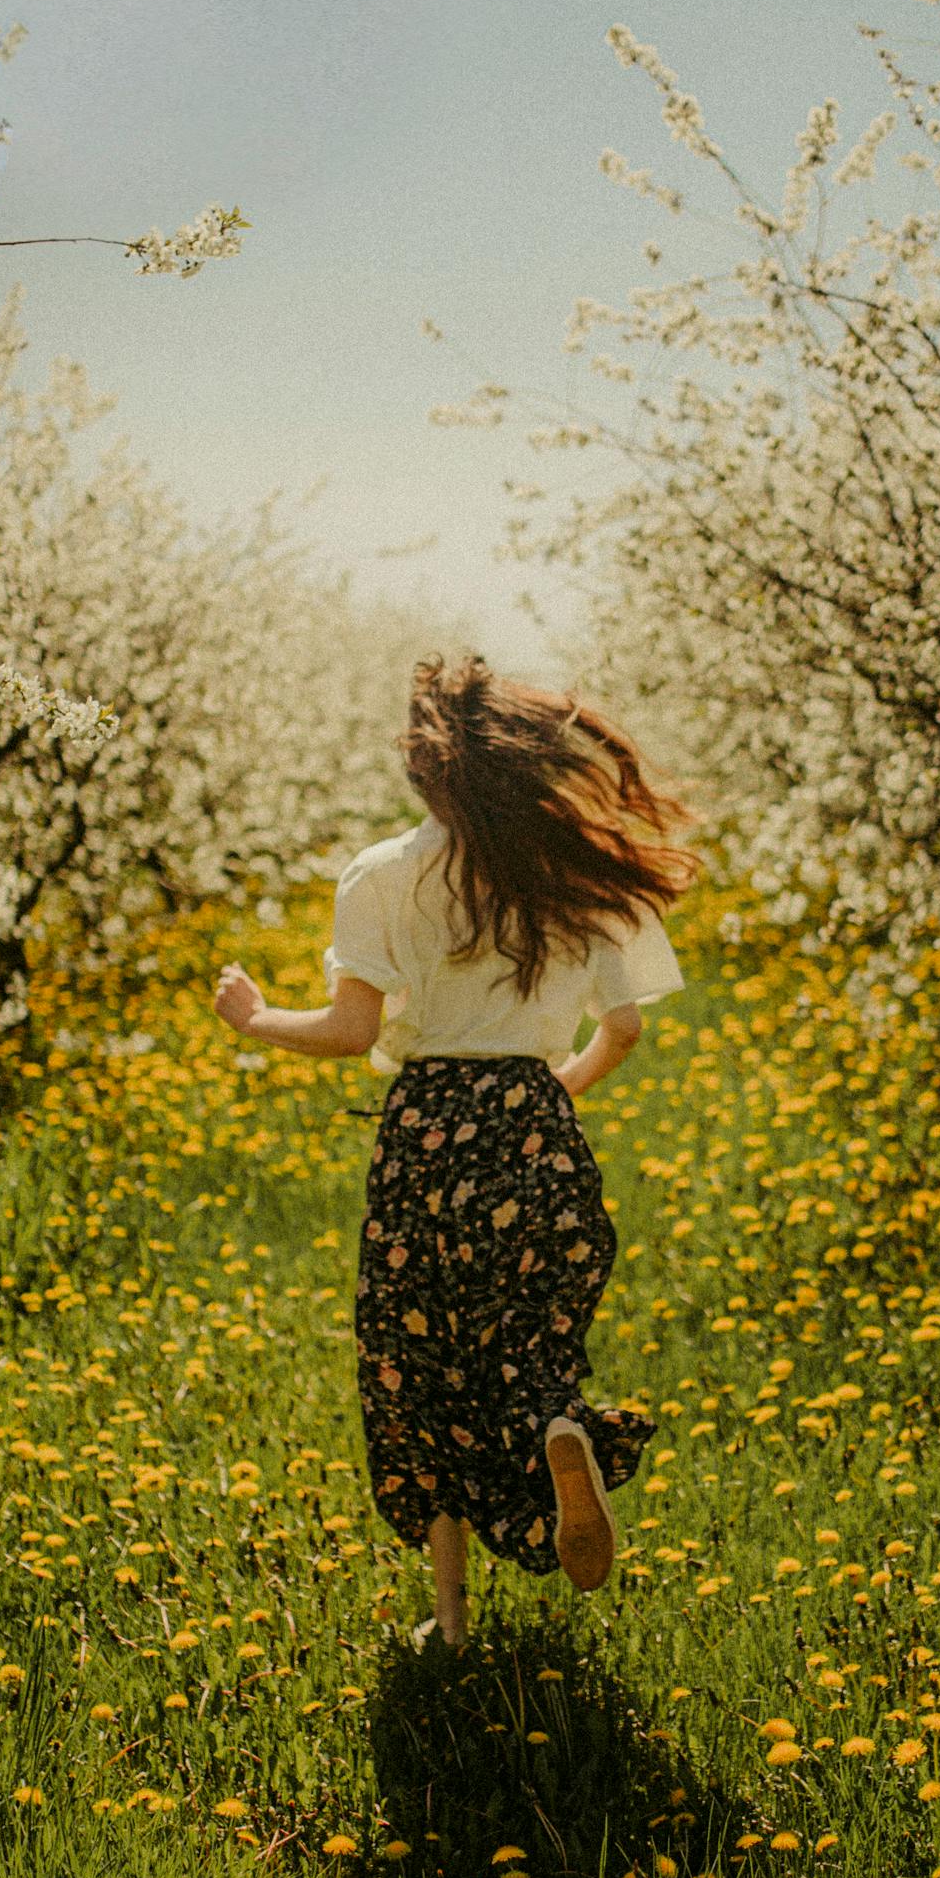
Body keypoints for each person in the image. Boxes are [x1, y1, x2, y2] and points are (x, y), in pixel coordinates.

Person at [212, 653, 698, 1649]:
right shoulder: (569, 866)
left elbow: (351, 1033)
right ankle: (562, 1427)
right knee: (527, 1343)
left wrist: (256, 1017)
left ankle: (450, 1618)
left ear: (428, 767)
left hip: (428, 1132)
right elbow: (626, 1031)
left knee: (420, 1365)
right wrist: (537, 1097)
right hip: (537, 1124)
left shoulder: (385, 871)